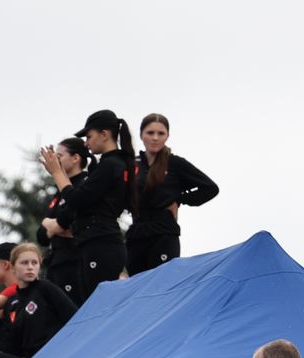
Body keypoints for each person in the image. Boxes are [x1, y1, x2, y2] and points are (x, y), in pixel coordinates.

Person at [45, 109, 133, 306]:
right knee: (91, 306)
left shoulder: (112, 165)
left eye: (89, 136)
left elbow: (77, 198)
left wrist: (57, 173)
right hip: (93, 244)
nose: (86, 143)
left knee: (98, 308)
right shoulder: (108, 165)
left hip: (102, 243)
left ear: (104, 134)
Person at [125, 113, 219, 276]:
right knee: (136, 288)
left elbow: (210, 188)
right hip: (137, 234)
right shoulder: (133, 165)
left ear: (167, 136)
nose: (155, 138)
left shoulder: (174, 163)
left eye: (161, 133)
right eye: (150, 133)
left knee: (161, 286)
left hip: (163, 234)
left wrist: (179, 199)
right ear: (141, 135)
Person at [35, 139, 89, 299]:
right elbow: (42, 236)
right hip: (55, 263)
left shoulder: (82, 186)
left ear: (75, 158)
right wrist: (51, 225)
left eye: (59, 156)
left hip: (75, 262)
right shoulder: (59, 191)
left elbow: (70, 223)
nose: (55, 161)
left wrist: (52, 225)